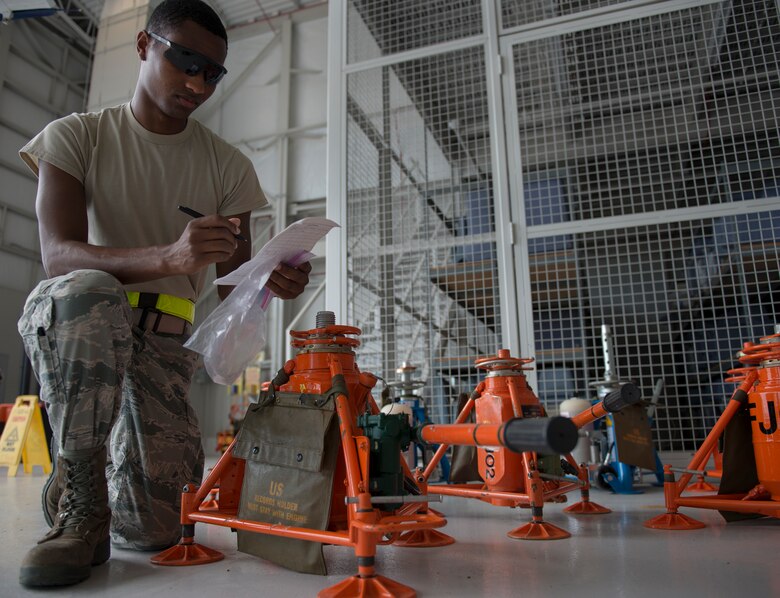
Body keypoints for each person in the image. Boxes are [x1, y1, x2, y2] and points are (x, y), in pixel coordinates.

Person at [16, 0, 311, 587]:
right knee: (85, 291)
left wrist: (274, 278)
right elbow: (58, 255)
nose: (198, 82)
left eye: (213, 73)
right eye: (186, 61)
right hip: (86, 326)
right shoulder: (76, 137)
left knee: (155, 530)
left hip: (167, 345)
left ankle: (111, 485)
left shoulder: (227, 167)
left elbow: (237, 273)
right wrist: (167, 258)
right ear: (146, 46)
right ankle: (79, 493)